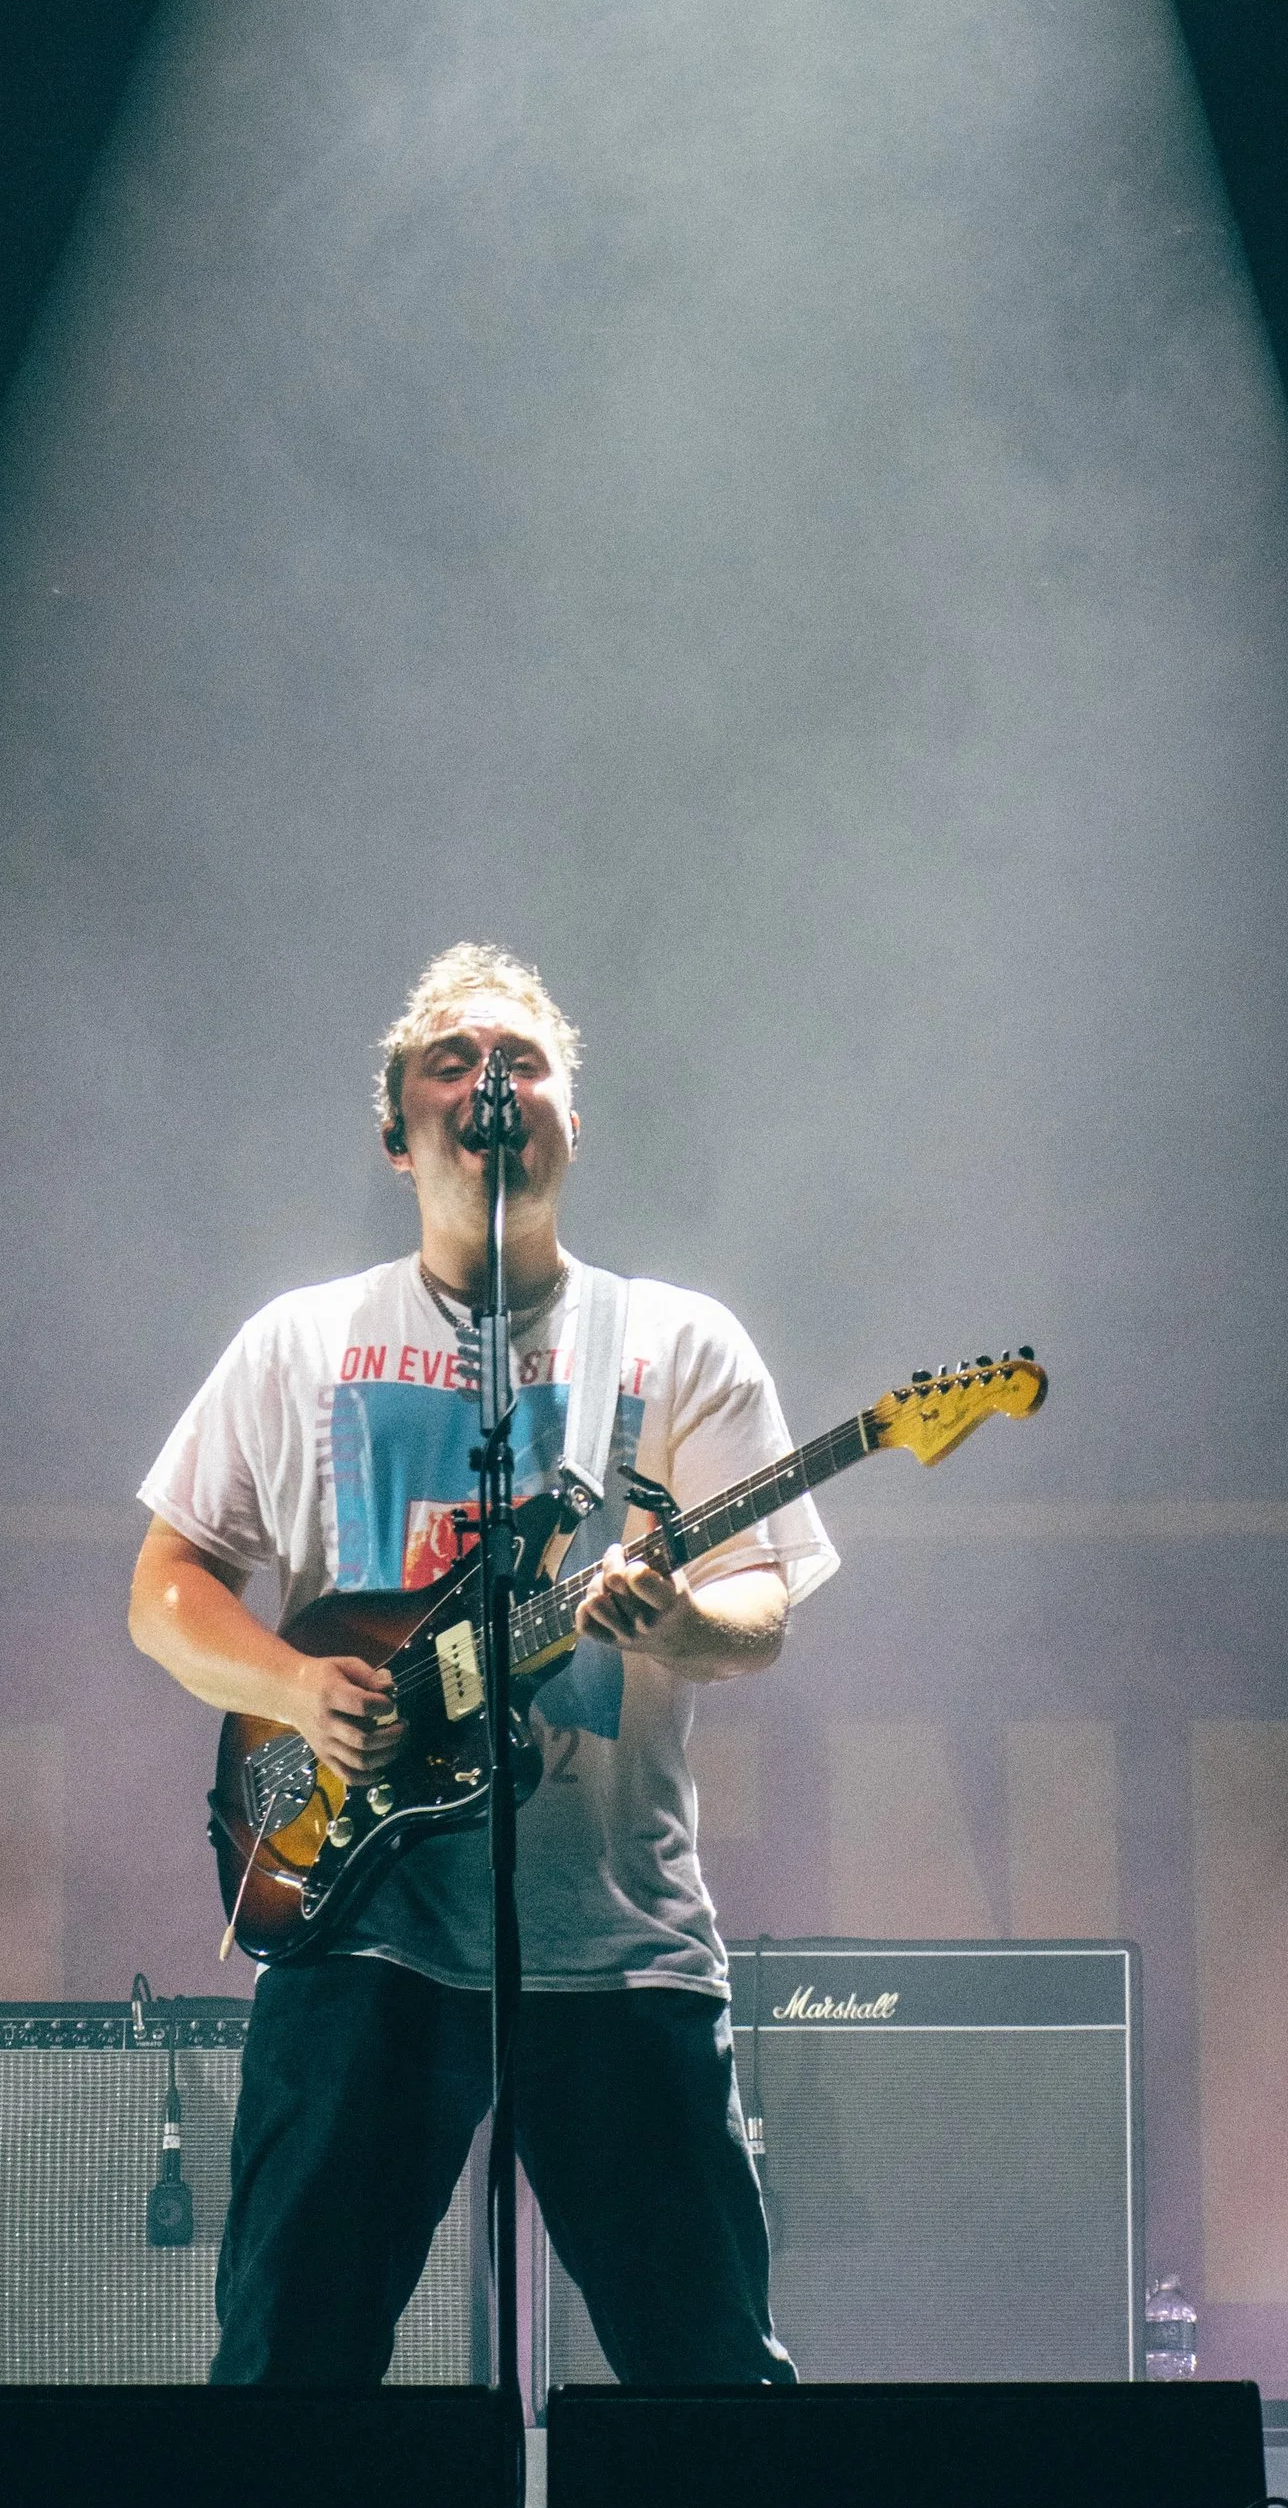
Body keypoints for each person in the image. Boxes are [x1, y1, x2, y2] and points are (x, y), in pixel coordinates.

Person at [128, 940, 836, 2385]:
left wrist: (682, 1621)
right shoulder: (302, 1339)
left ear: (575, 1115)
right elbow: (164, 1589)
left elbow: (762, 1597)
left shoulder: (679, 1341)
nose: (489, 1078)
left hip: (614, 1935)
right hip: (359, 1920)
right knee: (286, 2376)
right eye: (450, 1060)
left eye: (521, 1059)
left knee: (710, 2379)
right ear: (397, 1131)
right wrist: (292, 1687)